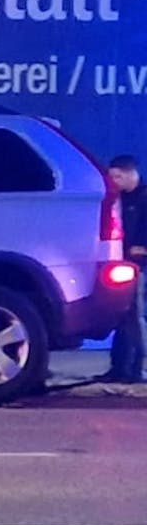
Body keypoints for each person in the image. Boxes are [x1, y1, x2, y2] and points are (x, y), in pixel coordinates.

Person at [105, 155, 146, 383]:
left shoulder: (143, 198)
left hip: (139, 268)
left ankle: (137, 368)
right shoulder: (117, 199)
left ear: (131, 174)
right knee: (123, 318)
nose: (114, 181)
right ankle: (119, 368)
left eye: (118, 176)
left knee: (134, 317)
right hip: (121, 264)